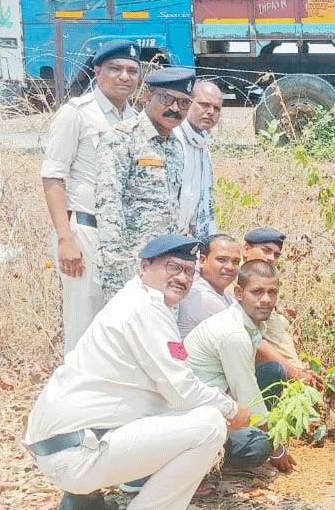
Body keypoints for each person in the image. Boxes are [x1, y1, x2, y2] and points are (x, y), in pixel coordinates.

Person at [23, 234, 251, 510]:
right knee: (210, 423)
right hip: (74, 457)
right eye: (173, 268)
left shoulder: (133, 298)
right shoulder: (147, 311)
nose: (182, 278)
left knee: (158, 405)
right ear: (144, 266)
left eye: (189, 271)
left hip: (58, 446)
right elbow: (183, 390)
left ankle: (82, 502)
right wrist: (231, 409)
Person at [40, 40, 140, 353]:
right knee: (83, 330)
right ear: (97, 72)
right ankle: (70, 400)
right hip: (86, 234)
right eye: (115, 69)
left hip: (123, 240)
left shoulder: (136, 120)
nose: (124, 76)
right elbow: (53, 177)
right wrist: (65, 239)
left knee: (118, 330)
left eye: (132, 71)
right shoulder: (77, 114)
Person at [185, 260, 296, 473]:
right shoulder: (234, 335)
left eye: (272, 292)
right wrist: (276, 447)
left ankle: (253, 436)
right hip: (198, 413)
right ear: (239, 293)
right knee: (258, 446)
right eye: (257, 292)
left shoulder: (250, 322)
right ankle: (209, 464)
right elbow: (247, 395)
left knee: (274, 371)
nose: (266, 300)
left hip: (221, 395)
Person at [96, 67, 196, 295]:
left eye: (183, 103)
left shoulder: (175, 145)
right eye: (167, 99)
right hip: (128, 268)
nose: (174, 109)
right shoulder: (122, 138)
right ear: (148, 97)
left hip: (165, 267)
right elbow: (108, 203)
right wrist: (118, 266)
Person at [241, 227, 321, 387]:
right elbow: (255, 341)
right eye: (266, 251)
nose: (271, 258)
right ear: (246, 250)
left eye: (276, 255)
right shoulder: (237, 285)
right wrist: (295, 373)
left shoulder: (266, 282)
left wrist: (300, 371)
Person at [176, 79, 222, 239]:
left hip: (188, 237)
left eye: (216, 108)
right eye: (204, 104)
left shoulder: (202, 144)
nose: (211, 112)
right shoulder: (173, 138)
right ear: (188, 103)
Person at [177, 233, 241, 337]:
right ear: (202, 261)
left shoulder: (221, 293)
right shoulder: (201, 297)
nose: (230, 267)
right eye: (221, 260)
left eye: (236, 261)